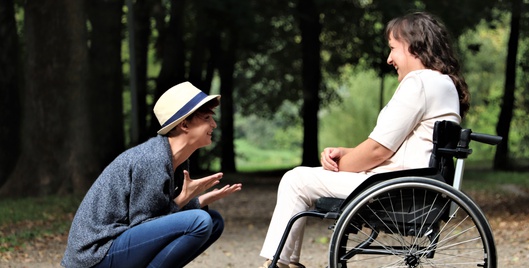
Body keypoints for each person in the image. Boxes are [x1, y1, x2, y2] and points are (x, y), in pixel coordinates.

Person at [258, 11, 470, 268]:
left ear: (415, 46)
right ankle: (282, 263)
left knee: (296, 180)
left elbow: (377, 151)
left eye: (393, 48)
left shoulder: (419, 83)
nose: (389, 58)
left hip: (395, 188)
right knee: (301, 179)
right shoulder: (444, 83)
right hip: (416, 183)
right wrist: (345, 153)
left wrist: (337, 166)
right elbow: (396, 147)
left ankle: (278, 263)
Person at [62, 81, 242, 268]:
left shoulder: (175, 160)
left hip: (118, 245)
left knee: (214, 222)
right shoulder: (152, 159)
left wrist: (197, 201)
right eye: (206, 118)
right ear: (184, 124)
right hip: (95, 255)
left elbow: (157, 219)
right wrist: (184, 200)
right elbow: (143, 226)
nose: (213, 124)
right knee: (200, 221)